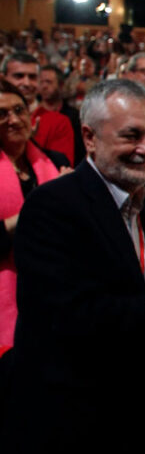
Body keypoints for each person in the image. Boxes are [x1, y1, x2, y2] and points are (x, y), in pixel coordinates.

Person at [0, 79, 145, 454]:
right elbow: (67, 316)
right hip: (65, 432)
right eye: (131, 135)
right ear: (89, 137)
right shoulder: (52, 206)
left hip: (131, 427)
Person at [0, 79, 66, 353]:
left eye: (19, 110)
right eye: (2, 114)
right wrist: (40, 205)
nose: (13, 120)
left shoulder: (55, 161)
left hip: (55, 290)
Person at [3, 53, 75, 164]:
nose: (26, 83)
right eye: (19, 76)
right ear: (3, 78)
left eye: (32, 77)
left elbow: (60, 172)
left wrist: (29, 143)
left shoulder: (58, 122)